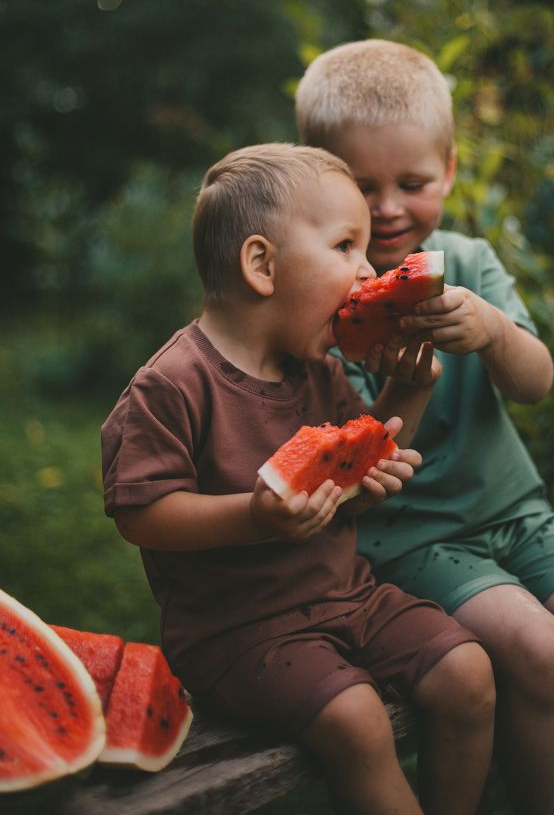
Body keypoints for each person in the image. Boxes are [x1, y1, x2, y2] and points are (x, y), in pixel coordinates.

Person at [295, 39, 554, 815]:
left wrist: (494, 331)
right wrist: (407, 377)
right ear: (319, 176)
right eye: (364, 186)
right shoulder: (312, 301)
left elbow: (537, 384)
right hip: (410, 539)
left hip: (520, 517)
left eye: (414, 183)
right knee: (541, 652)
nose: (391, 208)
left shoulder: (469, 260)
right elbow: (349, 464)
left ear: (451, 172)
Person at [101, 143, 496, 815]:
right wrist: (254, 517)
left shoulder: (318, 369)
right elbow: (142, 514)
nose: (368, 271)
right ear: (262, 265)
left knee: (470, 675)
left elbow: (361, 452)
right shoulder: (170, 385)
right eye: (346, 246)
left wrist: (410, 382)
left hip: (350, 597)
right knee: (359, 722)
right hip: (239, 633)